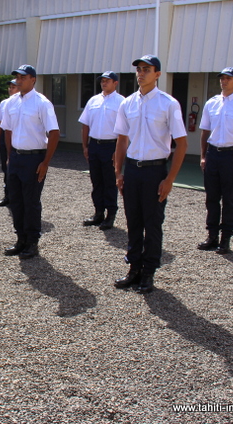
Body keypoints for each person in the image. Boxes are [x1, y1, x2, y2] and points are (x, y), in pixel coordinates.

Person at [113, 55, 188, 294]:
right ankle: (134, 268)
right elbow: (122, 140)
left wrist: (169, 179)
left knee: (152, 223)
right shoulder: (127, 104)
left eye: (147, 69)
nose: (141, 73)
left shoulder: (168, 104)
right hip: (133, 170)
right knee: (133, 222)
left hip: (155, 171)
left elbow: (182, 143)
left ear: (157, 74)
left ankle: (149, 272)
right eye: (138, 69)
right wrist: (119, 172)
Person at [0, 65, 60, 259]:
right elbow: (7, 130)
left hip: (34, 158)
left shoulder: (42, 103)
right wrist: (10, 155)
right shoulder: (11, 102)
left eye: (23, 77)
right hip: (16, 157)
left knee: (31, 201)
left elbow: (54, 132)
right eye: (17, 77)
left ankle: (32, 242)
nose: (18, 80)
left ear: (33, 79)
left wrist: (45, 162)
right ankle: (21, 239)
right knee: (16, 201)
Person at [197, 67, 233, 254]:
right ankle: (212, 235)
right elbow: (205, 131)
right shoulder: (211, 103)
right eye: (222, 78)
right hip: (213, 154)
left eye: (228, 78)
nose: (224, 81)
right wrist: (203, 156)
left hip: (231, 156)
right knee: (211, 197)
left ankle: (226, 238)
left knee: (228, 198)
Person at [78, 71, 124, 230]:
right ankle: (98, 213)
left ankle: (110, 215)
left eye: (107, 81)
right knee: (96, 181)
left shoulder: (121, 102)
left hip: (111, 146)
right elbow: (85, 124)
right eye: (102, 81)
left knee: (109, 181)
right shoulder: (93, 100)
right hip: (95, 145)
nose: (104, 83)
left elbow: (125, 129)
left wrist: (118, 150)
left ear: (115, 83)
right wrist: (85, 146)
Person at [0, 79, 19, 206]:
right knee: (6, 167)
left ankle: (17, 196)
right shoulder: (4, 103)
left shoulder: (22, 102)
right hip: (6, 137)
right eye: (10, 87)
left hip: (18, 137)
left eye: (13, 87)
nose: (10, 89)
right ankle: (8, 195)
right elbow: (0, 122)